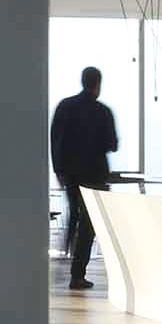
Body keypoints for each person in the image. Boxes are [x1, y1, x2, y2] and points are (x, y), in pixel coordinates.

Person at [49, 65, 118, 291]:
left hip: (70, 173)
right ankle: (77, 274)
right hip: (95, 175)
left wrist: (59, 170)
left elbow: (55, 141)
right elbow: (112, 144)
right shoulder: (103, 112)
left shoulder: (65, 107)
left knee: (73, 217)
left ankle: (64, 260)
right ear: (97, 84)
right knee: (88, 224)